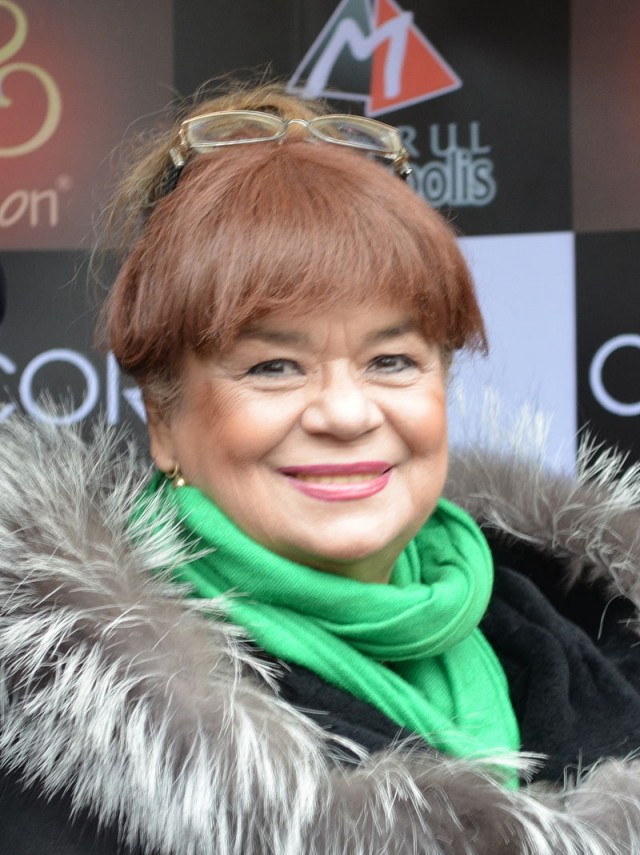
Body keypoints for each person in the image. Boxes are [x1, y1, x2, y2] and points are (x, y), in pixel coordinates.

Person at [0, 81, 639, 855]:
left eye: (391, 359)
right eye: (273, 366)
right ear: (164, 421)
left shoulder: (590, 623)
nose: (346, 411)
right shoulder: (58, 768)